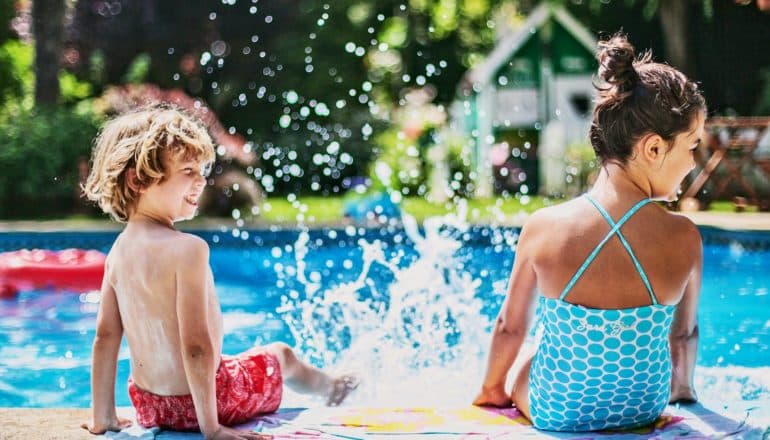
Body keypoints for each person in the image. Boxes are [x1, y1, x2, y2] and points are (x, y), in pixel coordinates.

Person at [473, 33, 705, 432]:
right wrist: (681, 389)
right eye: (691, 146)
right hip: (644, 407)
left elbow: (509, 327)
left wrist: (492, 391)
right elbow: (682, 336)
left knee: (529, 360)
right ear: (653, 149)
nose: (693, 162)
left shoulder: (545, 227)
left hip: (556, 410)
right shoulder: (685, 236)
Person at [80, 106, 358, 439]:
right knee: (281, 354)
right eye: (187, 169)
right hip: (214, 403)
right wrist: (212, 429)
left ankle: (332, 388)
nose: (201, 180)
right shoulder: (188, 249)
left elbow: (105, 337)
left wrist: (103, 417)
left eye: (201, 169)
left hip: (150, 405)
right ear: (138, 179)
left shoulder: (118, 252)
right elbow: (196, 346)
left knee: (230, 360)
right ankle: (333, 389)